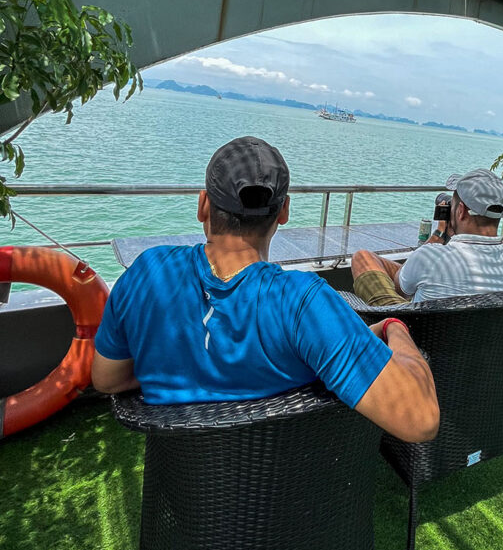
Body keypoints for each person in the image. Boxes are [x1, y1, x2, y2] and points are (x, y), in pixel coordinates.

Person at [91, 136, 439, 443]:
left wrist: (184, 364)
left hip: (182, 501)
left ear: (203, 205)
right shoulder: (304, 304)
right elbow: (421, 420)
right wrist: (396, 327)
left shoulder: (147, 273)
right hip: (277, 498)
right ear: (284, 211)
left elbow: (106, 379)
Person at [350, 168, 503, 305]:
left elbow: (399, 289)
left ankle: (392, 329)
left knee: (362, 258)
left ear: (460, 211)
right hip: (491, 350)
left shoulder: (430, 258)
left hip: (416, 345)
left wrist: (437, 237)